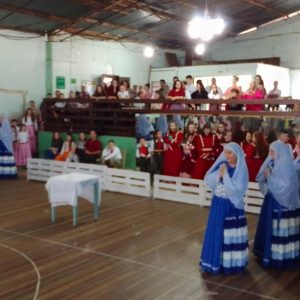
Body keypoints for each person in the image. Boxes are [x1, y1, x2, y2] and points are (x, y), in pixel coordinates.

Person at [200, 142, 249, 275]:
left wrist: (225, 176)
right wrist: (219, 176)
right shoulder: (222, 165)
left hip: (231, 206)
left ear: (237, 154)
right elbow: (209, 178)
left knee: (228, 234)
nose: (227, 155)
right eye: (225, 152)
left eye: (229, 153)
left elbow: (238, 189)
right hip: (218, 204)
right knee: (216, 231)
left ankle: (229, 263)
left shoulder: (241, 169)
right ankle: (214, 261)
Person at [254, 140, 300, 269]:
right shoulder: (271, 162)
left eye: (272, 151)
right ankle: (267, 252)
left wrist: (270, 177)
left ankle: (280, 256)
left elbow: (286, 186)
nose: (270, 153)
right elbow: (262, 178)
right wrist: (267, 180)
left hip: (282, 204)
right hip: (271, 201)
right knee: (269, 227)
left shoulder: (287, 166)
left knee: (279, 229)